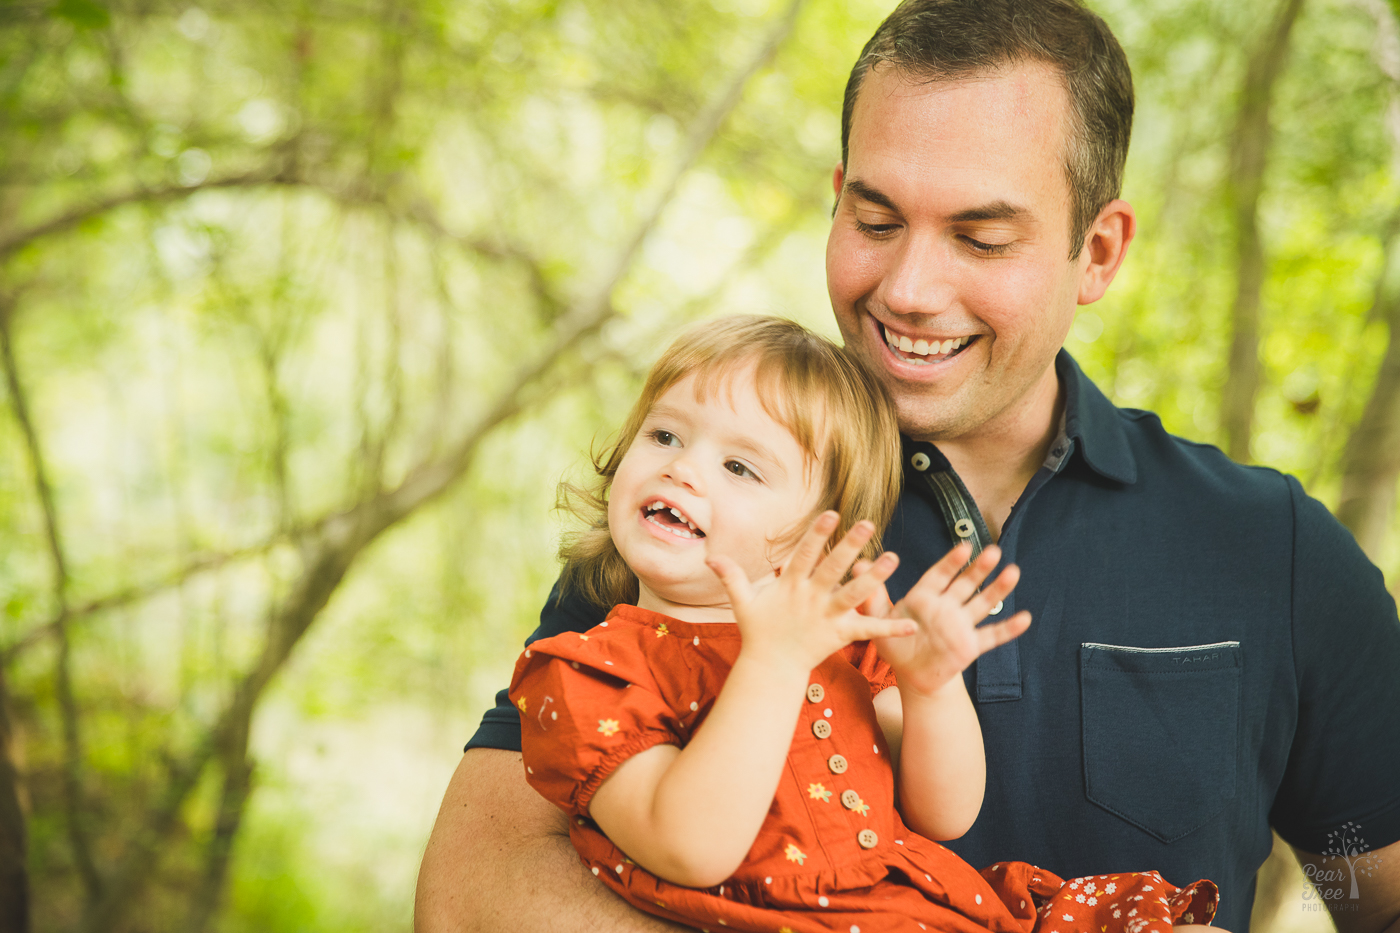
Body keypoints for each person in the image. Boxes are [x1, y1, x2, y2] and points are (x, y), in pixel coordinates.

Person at [415, 2, 1400, 932]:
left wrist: (1343, 870)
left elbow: (1362, 878)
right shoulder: (701, 521)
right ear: (836, 202)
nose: (908, 289)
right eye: (876, 222)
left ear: (1095, 252)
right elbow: (471, 897)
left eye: (979, 237)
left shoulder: (1269, 550)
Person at [507, 314, 1220, 933]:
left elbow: (947, 812)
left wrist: (929, 686)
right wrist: (773, 663)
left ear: (818, 535)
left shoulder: (842, 650)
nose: (684, 470)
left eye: (738, 466)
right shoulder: (587, 672)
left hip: (926, 907)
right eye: (664, 435)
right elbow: (689, 845)